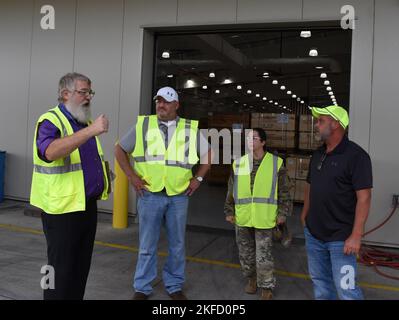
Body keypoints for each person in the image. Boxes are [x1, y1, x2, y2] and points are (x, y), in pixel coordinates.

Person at [114, 86, 212, 300]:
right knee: (147, 245)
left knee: (177, 244)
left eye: (166, 101)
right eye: (158, 101)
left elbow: (208, 154)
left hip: (179, 195)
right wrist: (132, 177)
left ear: (176, 105)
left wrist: (198, 179)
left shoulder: (189, 128)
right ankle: (142, 287)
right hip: (150, 194)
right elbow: (119, 148)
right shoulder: (143, 125)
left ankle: (174, 285)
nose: (161, 105)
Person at [30, 72, 110, 300]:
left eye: (90, 92)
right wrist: (92, 130)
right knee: (58, 271)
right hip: (62, 210)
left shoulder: (81, 121)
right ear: (65, 94)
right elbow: (49, 152)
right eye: (83, 92)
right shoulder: (51, 120)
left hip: (86, 206)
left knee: (79, 269)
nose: (88, 97)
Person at [300, 105, 372, 300]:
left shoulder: (357, 157)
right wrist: (305, 214)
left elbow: (364, 197)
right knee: (321, 285)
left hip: (342, 239)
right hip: (314, 234)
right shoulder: (318, 154)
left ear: (336, 124)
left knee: (346, 290)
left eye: (321, 121)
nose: (316, 125)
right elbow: (310, 185)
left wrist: (356, 235)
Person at [224, 128, 293, 300]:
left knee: (264, 255)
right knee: (245, 253)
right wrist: (229, 210)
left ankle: (267, 287)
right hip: (243, 216)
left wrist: (282, 213)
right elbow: (231, 189)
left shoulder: (276, 163)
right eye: (248, 138)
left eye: (253, 138)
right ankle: (251, 279)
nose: (250, 141)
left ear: (263, 142)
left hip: (265, 216)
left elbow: (284, 191)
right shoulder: (238, 163)